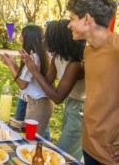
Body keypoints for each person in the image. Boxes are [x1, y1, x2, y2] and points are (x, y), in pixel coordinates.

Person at [20, 19, 86, 160]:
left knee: (62, 153)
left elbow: (57, 97)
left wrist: (35, 72)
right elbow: (47, 82)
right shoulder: (57, 57)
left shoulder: (76, 63)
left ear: (59, 39)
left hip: (81, 110)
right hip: (70, 105)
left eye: (48, 37)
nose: (45, 40)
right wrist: (31, 66)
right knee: (72, 154)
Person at [66, 0, 118, 164]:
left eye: (72, 18)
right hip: (88, 146)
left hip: (111, 156)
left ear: (86, 19)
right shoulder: (87, 51)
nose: (69, 25)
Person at [0, 25, 53, 137]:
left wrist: (10, 66)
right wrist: (14, 65)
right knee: (30, 138)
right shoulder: (36, 55)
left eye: (21, 35)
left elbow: (22, 84)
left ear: (28, 38)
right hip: (35, 103)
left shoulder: (35, 57)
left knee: (32, 140)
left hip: (39, 105)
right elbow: (25, 77)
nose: (19, 38)